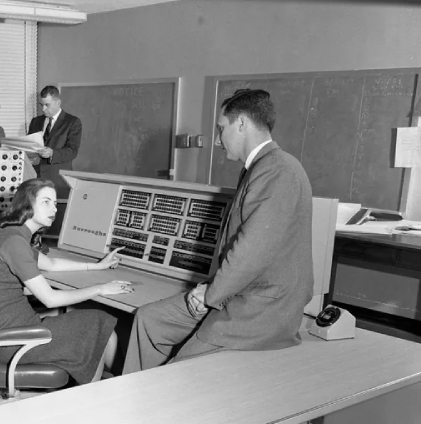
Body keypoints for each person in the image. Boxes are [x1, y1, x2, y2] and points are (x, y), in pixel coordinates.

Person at [123, 89, 313, 373]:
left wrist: (211, 294)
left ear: (241, 124)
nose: (216, 138)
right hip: (239, 295)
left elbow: (251, 251)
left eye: (220, 128)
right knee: (149, 320)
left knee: (177, 373)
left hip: (260, 312)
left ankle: (155, 402)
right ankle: (136, 408)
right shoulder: (261, 168)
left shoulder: (278, 170)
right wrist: (212, 291)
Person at [0, 178, 132, 386]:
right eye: (46, 202)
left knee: (102, 327)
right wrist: (100, 288)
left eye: (56, 203)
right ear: (27, 205)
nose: (54, 209)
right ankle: (92, 400)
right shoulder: (14, 243)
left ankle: (127, 382)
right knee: (97, 322)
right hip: (11, 341)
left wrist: (97, 266)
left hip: (6, 331)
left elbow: (51, 264)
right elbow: (50, 299)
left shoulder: (12, 235)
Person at [27, 85, 82, 192]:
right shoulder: (35, 121)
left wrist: (53, 153)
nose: (43, 109)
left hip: (58, 181)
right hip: (36, 180)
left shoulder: (72, 122)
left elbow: (72, 151)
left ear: (58, 103)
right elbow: (30, 146)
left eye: (47, 105)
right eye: (41, 105)